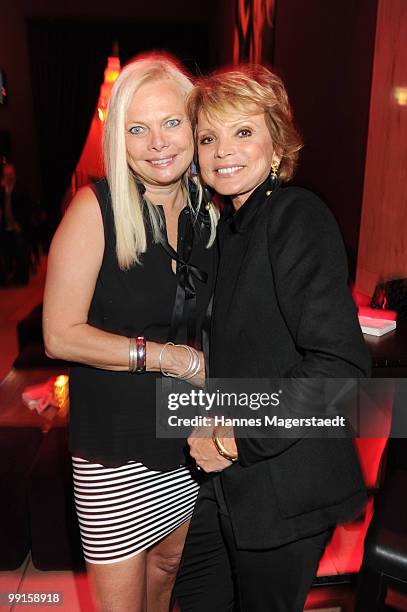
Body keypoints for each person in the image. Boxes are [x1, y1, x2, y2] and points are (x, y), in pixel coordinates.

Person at [175, 65, 371, 611]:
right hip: (228, 483)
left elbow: (340, 367)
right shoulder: (229, 228)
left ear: (277, 142)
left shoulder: (294, 217)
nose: (223, 151)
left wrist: (232, 436)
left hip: (284, 487)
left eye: (243, 132)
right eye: (210, 137)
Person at [43, 53, 218, 612]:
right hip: (115, 457)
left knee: (166, 577)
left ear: (194, 125)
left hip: (185, 445)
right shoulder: (93, 211)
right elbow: (59, 335)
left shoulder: (208, 209)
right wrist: (164, 357)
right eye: (137, 128)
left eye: (171, 123)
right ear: (119, 137)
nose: (157, 142)